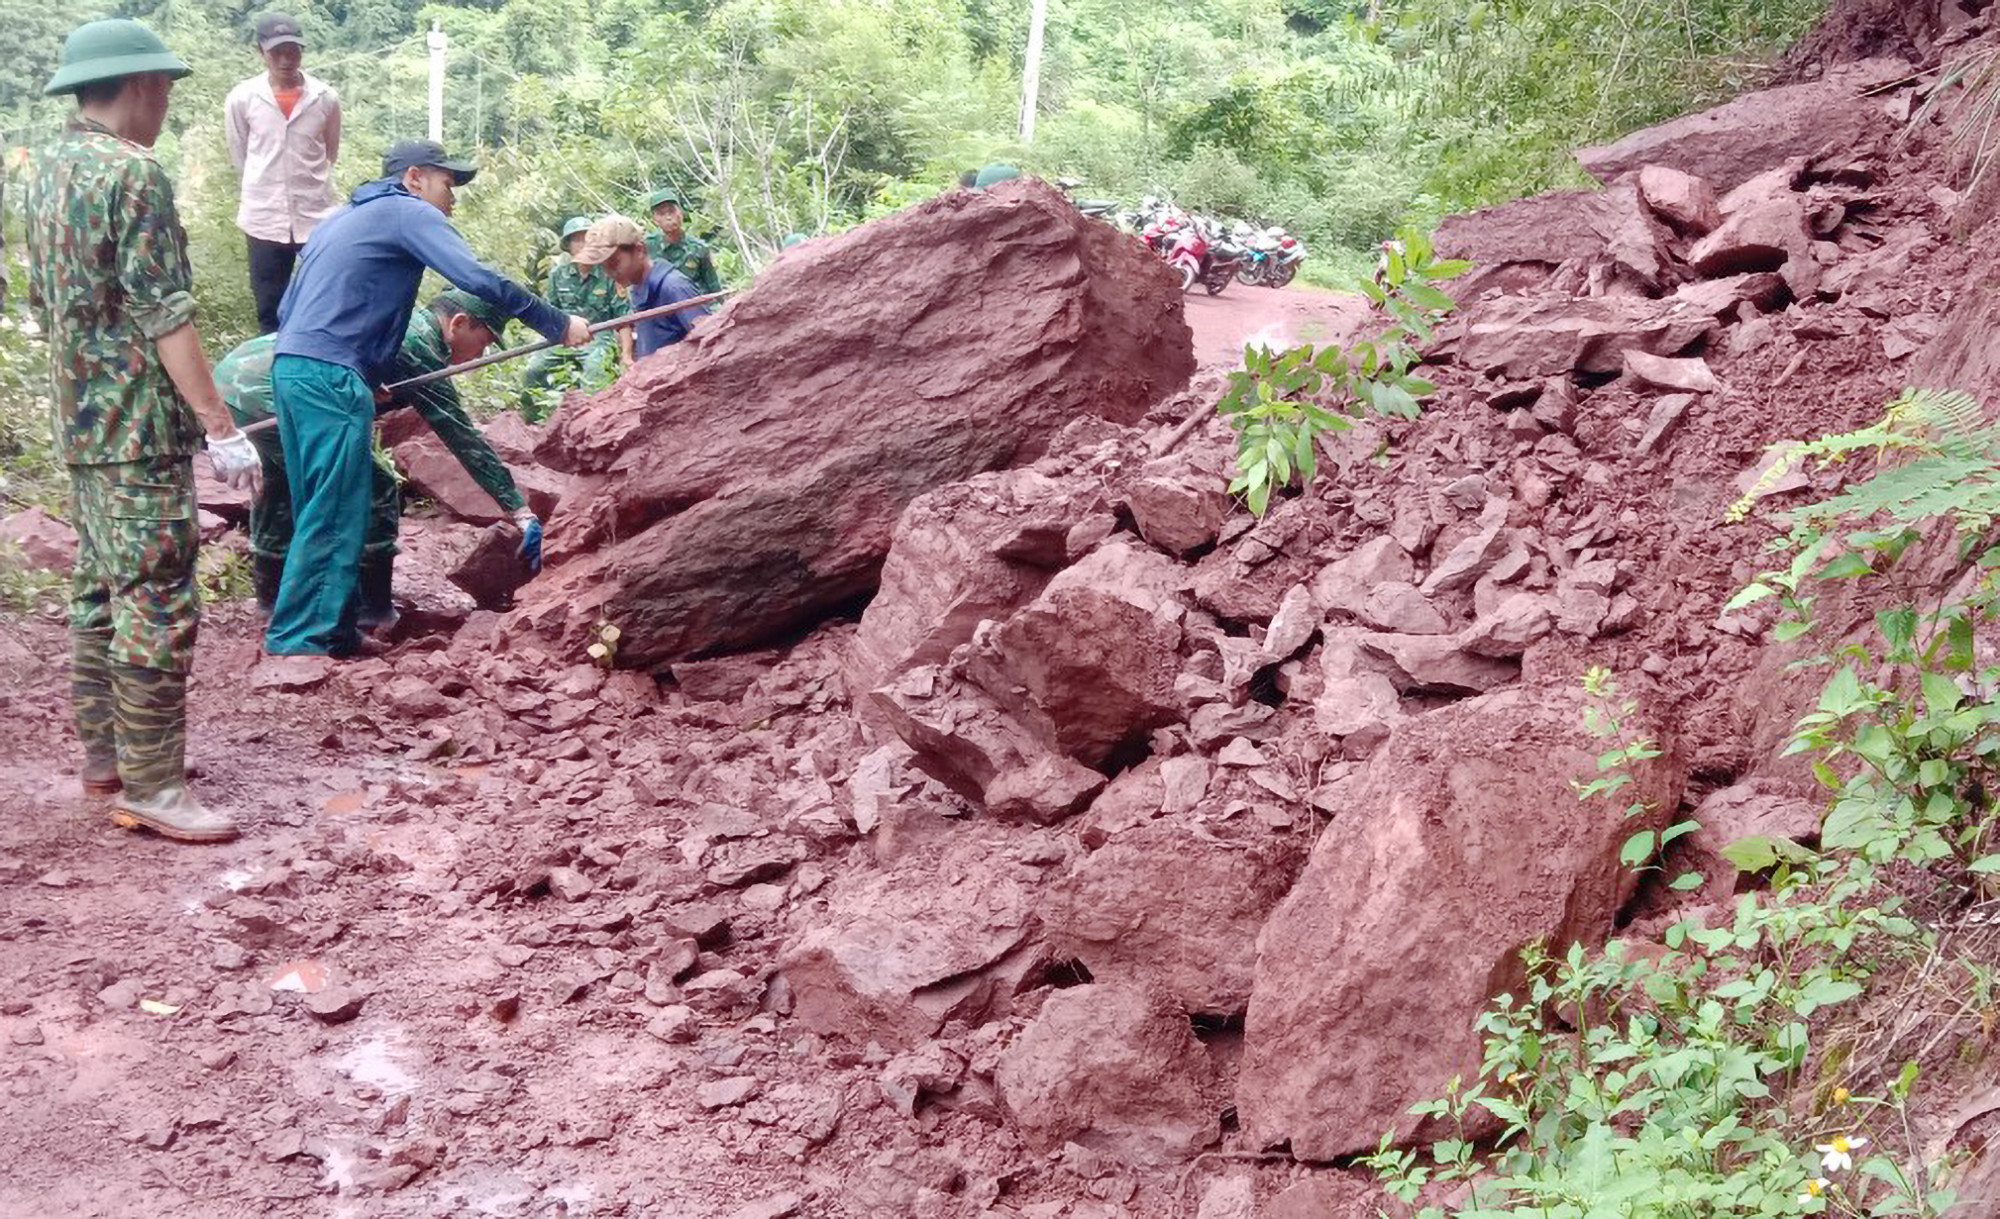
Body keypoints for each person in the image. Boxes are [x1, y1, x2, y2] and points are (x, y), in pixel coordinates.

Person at [25, 18, 266, 843]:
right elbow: (164, 313)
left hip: (79, 421)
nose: (165, 100)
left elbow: (44, 301)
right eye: (163, 85)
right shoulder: (134, 174)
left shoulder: (47, 165)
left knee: (99, 587)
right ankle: (157, 788)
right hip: (136, 429)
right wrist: (220, 424)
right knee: (157, 596)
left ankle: (109, 759)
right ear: (138, 85)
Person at [266, 138, 587, 659]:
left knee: (320, 505)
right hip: (329, 374)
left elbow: (292, 304)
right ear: (414, 177)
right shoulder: (406, 212)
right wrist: (555, 323)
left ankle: (334, 631)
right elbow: (477, 277)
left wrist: (362, 368)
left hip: (295, 368)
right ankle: (298, 643)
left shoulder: (342, 220)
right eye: (447, 182)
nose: (453, 195)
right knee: (336, 511)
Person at [218, 290, 542, 626]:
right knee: (375, 486)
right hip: (270, 393)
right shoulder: (418, 345)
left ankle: (271, 599)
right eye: (485, 340)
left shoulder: (396, 318)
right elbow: (460, 435)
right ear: (458, 323)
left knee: (278, 481)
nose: (482, 352)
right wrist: (517, 508)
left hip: (235, 379)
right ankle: (372, 610)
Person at [224, 13, 341, 334]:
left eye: (293, 50)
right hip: (263, 218)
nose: (286, 59)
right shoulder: (242, 98)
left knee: (325, 301)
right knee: (269, 310)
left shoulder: (325, 98)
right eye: (277, 51)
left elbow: (329, 153)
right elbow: (241, 154)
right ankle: (273, 375)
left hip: (316, 217)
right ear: (260, 51)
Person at [521, 214, 624, 419]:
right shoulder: (558, 274)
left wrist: (626, 356)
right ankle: (533, 425)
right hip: (564, 335)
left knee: (595, 374)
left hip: (598, 336)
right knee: (532, 370)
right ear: (568, 245)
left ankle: (593, 423)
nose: (583, 243)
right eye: (576, 239)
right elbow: (549, 312)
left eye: (587, 237)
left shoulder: (609, 272)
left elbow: (623, 316)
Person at [574, 215, 708, 359]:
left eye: (614, 263)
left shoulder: (673, 287)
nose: (609, 273)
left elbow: (710, 343)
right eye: (604, 266)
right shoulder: (638, 288)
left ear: (639, 250)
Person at [643, 187, 722, 295]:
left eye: (672, 211)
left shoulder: (699, 248)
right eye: (661, 213)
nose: (668, 217)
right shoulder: (646, 247)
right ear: (655, 220)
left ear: (681, 213)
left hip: (695, 306)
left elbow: (714, 289)